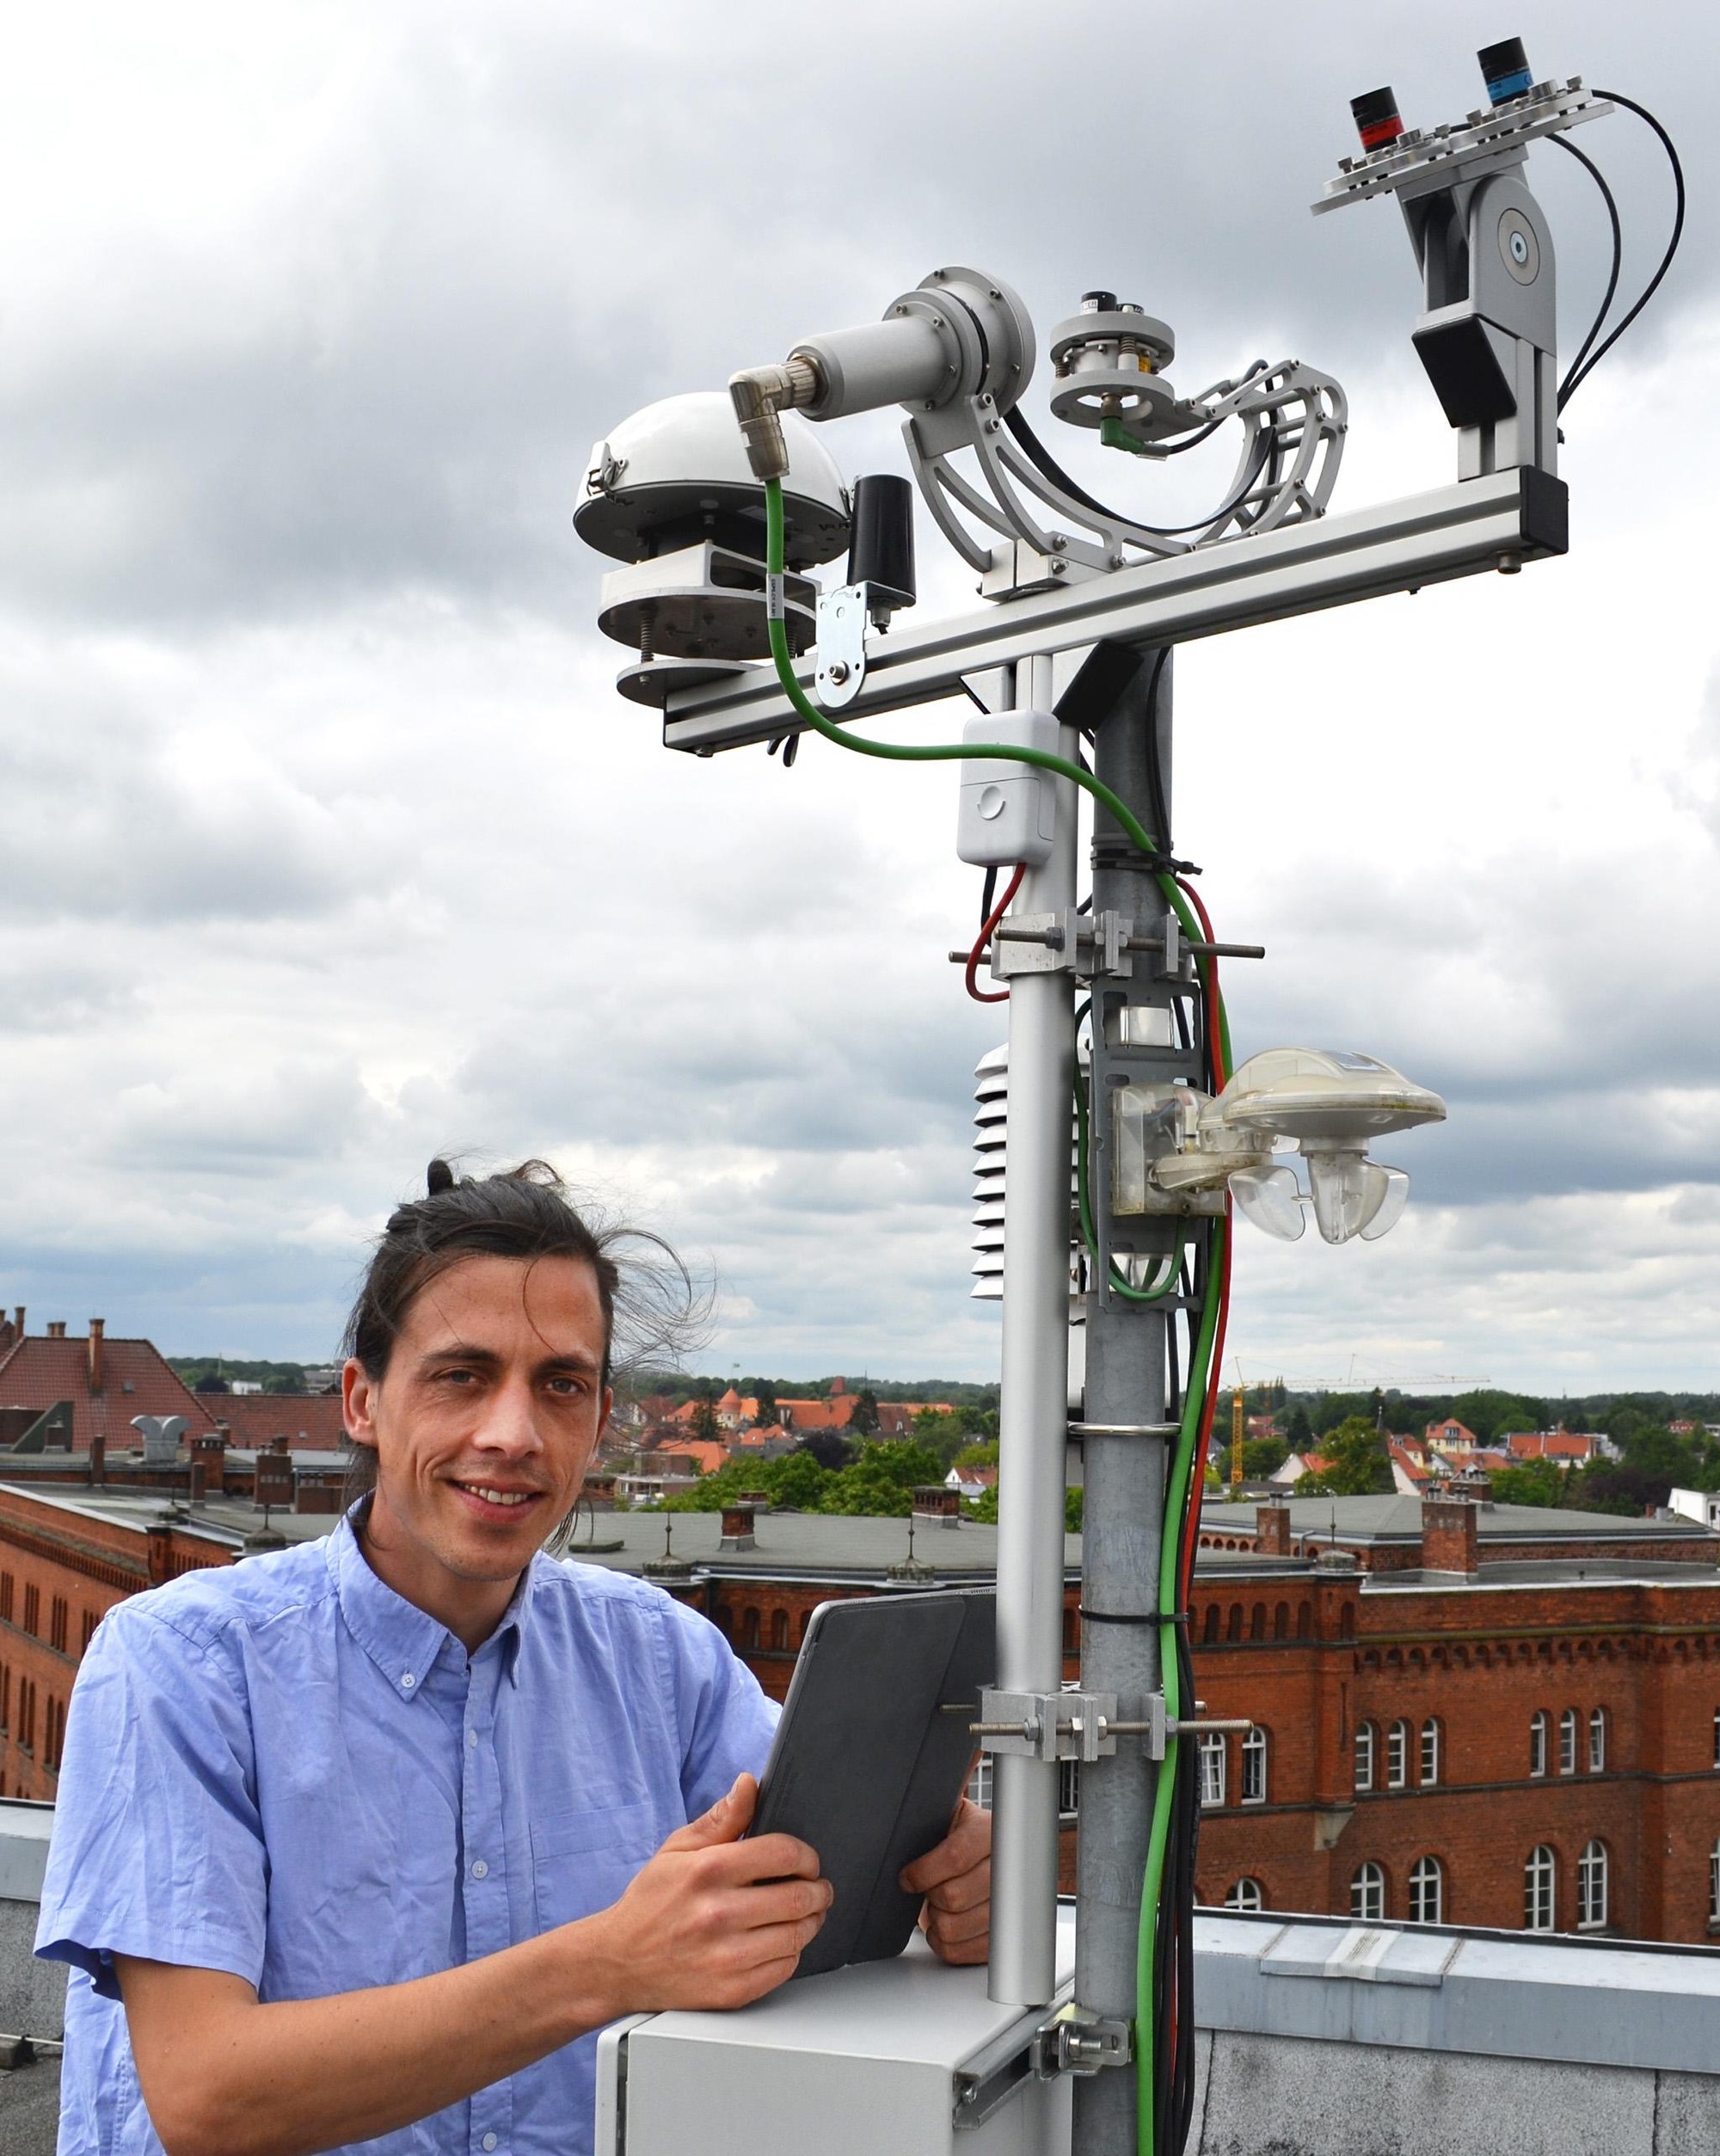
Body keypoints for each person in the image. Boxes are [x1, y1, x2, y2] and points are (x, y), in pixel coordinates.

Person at [36, 1162, 992, 2156]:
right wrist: (608, 1962)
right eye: (461, 1374)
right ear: (362, 1401)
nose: (513, 1433)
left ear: (598, 1417)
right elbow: (207, 2094)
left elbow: (819, 1882)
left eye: (560, 1385)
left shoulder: (661, 1657)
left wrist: (950, 1882)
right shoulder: (184, 1664)